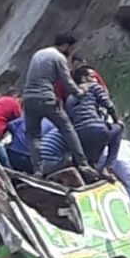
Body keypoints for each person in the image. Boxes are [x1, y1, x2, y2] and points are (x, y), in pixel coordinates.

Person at [23, 33, 93, 178]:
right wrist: (80, 92)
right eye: (71, 48)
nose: (71, 51)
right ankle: (83, 163)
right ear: (66, 46)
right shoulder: (59, 57)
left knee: (34, 136)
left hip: (28, 98)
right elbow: (66, 81)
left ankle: (37, 170)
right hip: (45, 97)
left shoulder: (38, 54)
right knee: (67, 128)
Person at [67, 66, 122, 174]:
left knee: (88, 161)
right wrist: (116, 121)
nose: (96, 80)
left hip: (79, 135)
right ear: (83, 78)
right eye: (92, 77)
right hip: (97, 129)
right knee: (118, 129)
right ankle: (108, 166)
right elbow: (109, 105)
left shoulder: (70, 97)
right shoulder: (93, 87)